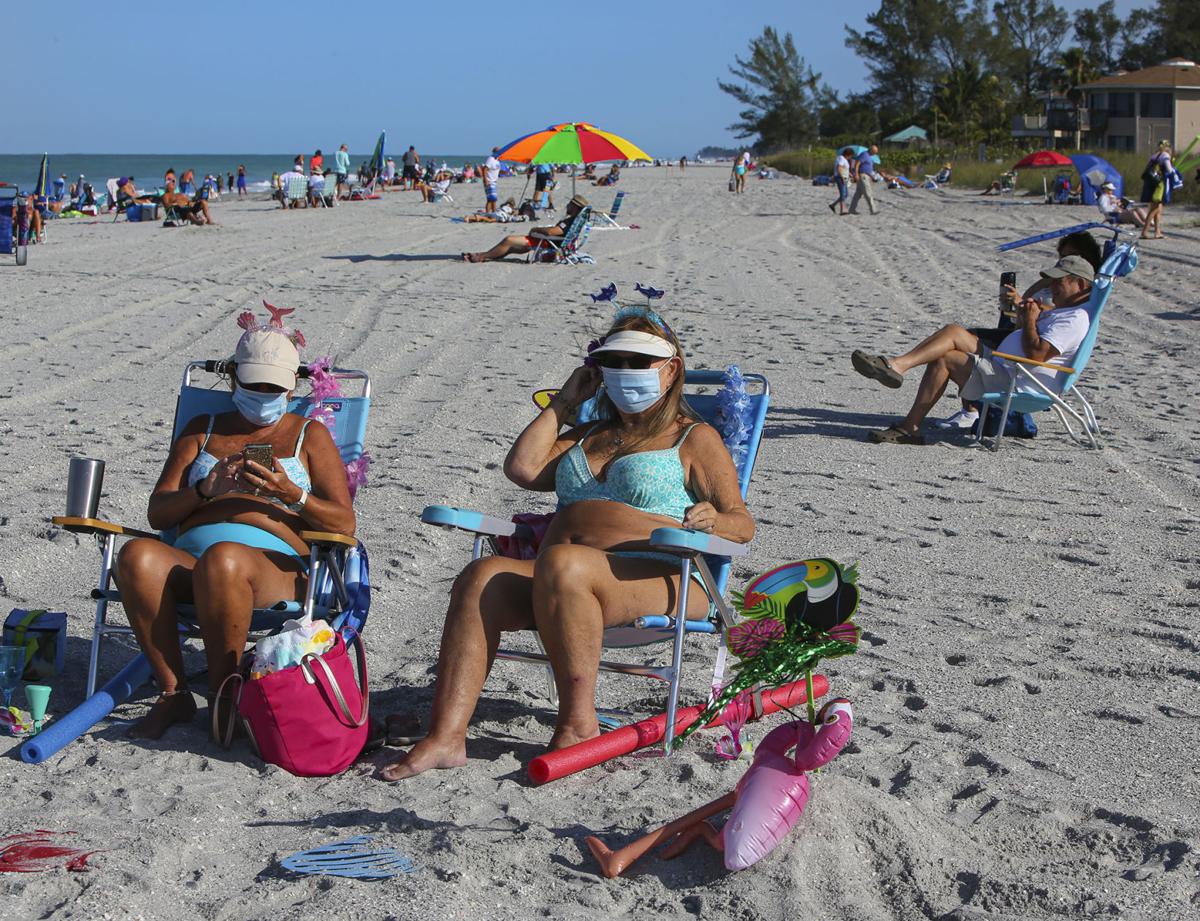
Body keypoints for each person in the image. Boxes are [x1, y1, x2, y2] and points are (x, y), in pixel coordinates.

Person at [376, 310, 754, 779]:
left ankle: (578, 724)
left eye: (637, 361)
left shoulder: (694, 438)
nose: (623, 370)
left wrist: (714, 518)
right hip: (561, 581)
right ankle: (446, 736)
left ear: (671, 369)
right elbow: (522, 469)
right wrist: (562, 403)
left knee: (564, 562)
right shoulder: (587, 435)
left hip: (663, 575)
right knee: (482, 574)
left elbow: (742, 524)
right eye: (612, 361)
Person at [115, 311, 354, 739]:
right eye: (254, 385)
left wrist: (289, 493)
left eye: (274, 388)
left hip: (272, 569)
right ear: (233, 379)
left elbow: (345, 521)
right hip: (193, 560)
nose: (264, 394)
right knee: (136, 555)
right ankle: (175, 694)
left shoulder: (309, 434)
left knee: (223, 560)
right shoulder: (201, 431)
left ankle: (225, 694)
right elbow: (158, 513)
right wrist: (205, 490)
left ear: (292, 386)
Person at [850, 255, 1095, 444]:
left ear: (1081, 284)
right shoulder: (1062, 312)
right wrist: (1023, 314)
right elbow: (1028, 338)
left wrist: (1031, 320)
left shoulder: (1074, 319)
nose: (1052, 287)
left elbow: (1037, 355)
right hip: (1008, 367)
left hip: (1019, 380)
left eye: (1059, 282)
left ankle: (909, 425)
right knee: (953, 331)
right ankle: (896, 366)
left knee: (946, 358)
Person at [933, 231, 1103, 430]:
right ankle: (904, 370)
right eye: (1062, 256)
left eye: (1073, 255)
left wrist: (1026, 308)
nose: (1066, 260)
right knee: (957, 335)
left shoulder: (1077, 301)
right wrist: (1021, 308)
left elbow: (1048, 327)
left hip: (1022, 363)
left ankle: (968, 410)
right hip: (1020, 335)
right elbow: (1048, 314)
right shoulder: (1058, 280)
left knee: (957, 337)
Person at [463, 194, 587, 262]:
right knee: (510, 247)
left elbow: (553, 232)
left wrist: (536, 230)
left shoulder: (568, 221)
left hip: (547, 242)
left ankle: (481, 256)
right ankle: (485, 255)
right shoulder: (573, 221)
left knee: (509, 240)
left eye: (570, 204)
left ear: (575, 208)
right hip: (552, 241)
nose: (567, 205)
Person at [848, 145, 878, 215]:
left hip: (865, 176)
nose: (875, 153)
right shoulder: (864, 154)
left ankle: (852, 209)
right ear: (871, 150)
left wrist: (872, 176)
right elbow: (857, 164)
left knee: (858, 194)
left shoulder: (869, 156)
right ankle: (873, 210)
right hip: (862, 176)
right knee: (868, 193)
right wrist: (856, 174)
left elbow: (867, 168)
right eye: (874, 152)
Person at [830, 148, 851, 215]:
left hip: (843, 177)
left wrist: (850, 174)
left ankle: (833, 205)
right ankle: (842, 210)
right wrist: (842, 177)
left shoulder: (842, 159)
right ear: (848, 155)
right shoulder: (842, 159)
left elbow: (844, 168)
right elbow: (839, 168)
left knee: (846, 194)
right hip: (840, 177)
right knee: (843, 193)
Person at [482, 147, 502, 213]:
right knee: (491, 199)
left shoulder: (498, 160)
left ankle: (493, 213)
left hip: (494, 182)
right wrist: (485, 180)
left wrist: (503, 172)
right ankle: (490, 213)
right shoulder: (491, 159)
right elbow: (485, 169)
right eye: (498, 151)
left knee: (493, 199)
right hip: (489, 181)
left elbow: (495, 170)